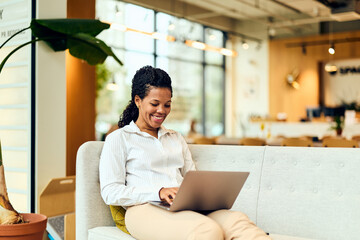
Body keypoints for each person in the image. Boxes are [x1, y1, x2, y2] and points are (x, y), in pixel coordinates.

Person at [99, 65, 271, 240]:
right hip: (142, 209)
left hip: (183, 206)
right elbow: (110, 192)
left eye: (167, 105)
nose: (162, 111)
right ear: (137, 100)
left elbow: (192, 178)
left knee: (238, 221)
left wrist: (204, 194)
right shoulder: (119, 138)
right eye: (154, 104)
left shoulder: (175, 138)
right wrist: (158, 192)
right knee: (207, 230)